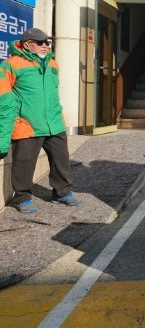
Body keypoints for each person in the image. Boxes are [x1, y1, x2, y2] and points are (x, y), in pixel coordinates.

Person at [0, 28, 81, 214]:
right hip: (27, 124)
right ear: (27, 45)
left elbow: (53, 94)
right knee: (24, 163)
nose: (45, 45)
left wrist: (59, 116)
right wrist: (2, 139)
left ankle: (62, 192)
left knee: (61, 160)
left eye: (47, 42)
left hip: (54, 123)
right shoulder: (10, 65)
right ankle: (22, 198)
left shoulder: (52, 63)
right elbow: (4, 102)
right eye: (40, 42)